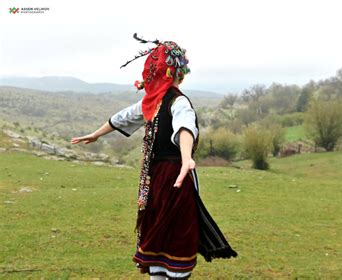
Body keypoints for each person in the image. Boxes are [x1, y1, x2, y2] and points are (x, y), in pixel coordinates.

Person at [71, 34, 236, 279]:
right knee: (158, 229)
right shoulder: (153, 102)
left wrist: (186, 157)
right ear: (179, 72)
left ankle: (174, 274)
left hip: (174, 178)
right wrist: (96, 134)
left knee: (176, 231)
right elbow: (124, 117)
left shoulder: (178, 103)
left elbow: (184, 128)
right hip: (156, 179)